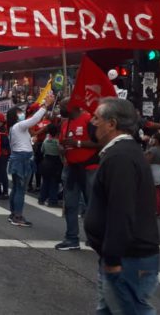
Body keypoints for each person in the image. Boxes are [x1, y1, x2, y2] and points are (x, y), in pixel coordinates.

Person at [85, 98, 160, 314]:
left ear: (112, 123)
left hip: (128, 260)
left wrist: (113, 258)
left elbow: (121, 210)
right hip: (122, 257)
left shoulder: (121, 158)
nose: (92, 122)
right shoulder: (120, 153)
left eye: (97, 118)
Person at [56, 99, 101, 251]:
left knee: (92, 205)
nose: (60, 109)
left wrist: (78, 144)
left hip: (89, 168)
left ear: (72, 106)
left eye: (62, 106)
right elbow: (62, 142)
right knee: (70, 205)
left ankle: (94, 238)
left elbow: (101, 143)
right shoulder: (65, 123)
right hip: (71, 169)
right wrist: (61, 148)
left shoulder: (89, 119)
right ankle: (71, 238)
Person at [7, 93, 55, 228]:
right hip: (22, 159)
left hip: (19, 158)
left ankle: (13, 214)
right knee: (20, 190)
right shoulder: (18, 126)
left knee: (17, 188)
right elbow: (34, 119)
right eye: (20, 113)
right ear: (15, 116)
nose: (22, 114)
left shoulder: (15, 128)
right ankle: (17, 216)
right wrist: (45, 105)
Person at [38, 123, 62, 208]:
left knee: (45, 182)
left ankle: (41, 198)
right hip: (55, 162)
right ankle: (52, 200)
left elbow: (42, 150)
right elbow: (60, 154)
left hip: (45, 161)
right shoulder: (57, 142)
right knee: (53, 183)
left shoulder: (46, 140)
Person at [146, 133, 160, 217]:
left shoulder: (153, 149)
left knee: (155, 193)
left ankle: (156, 210)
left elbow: (147, 161)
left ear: (157, 140)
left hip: (153, 170)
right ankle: (158, 210)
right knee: (158, 192)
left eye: (154, 138)